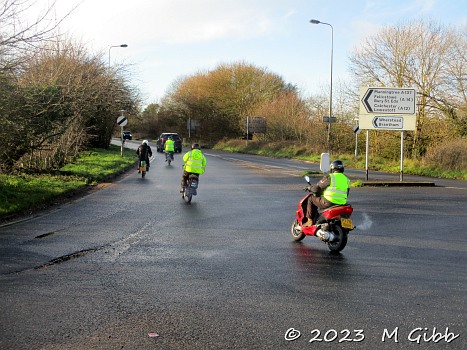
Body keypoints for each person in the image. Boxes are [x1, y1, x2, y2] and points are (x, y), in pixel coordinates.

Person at [304, 160, 350, 226]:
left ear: (332, 168)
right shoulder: (347, 179)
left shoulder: (330, 177)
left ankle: (309, 221)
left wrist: (310, 188)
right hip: (342, 203)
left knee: (310, 198)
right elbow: (347, 193)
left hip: (329, 202)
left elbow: (317, 189)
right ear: (342, 168)